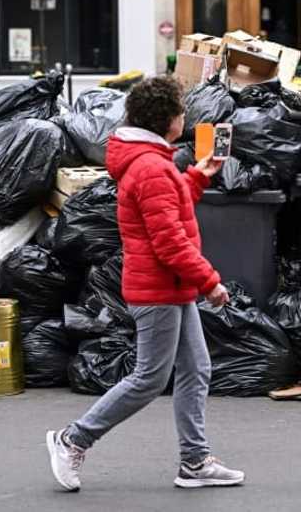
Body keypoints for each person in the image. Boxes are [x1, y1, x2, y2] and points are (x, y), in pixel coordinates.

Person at [46, 75, 245, 492]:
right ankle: (72, 439)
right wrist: (209, 282)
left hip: (170, 286)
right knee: (150, 378)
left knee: (196, 368)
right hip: (158, 289)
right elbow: (169, 240)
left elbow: (168, 208)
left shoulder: (153, 161)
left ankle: (194, 461)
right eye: (181, 111)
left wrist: (198, 175)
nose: (185, 116)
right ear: (167, 119)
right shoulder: (151, 166)